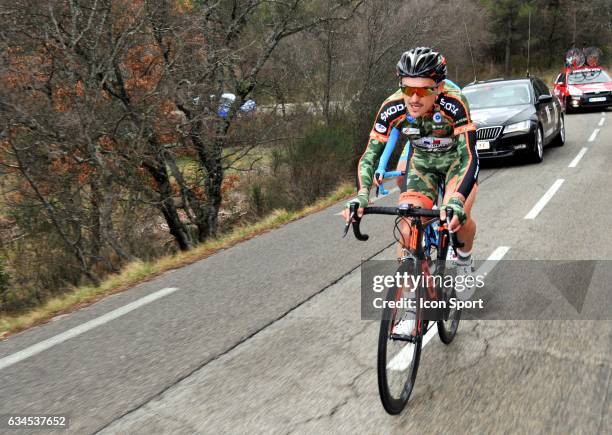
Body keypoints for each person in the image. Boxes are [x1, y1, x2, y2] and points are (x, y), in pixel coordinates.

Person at [342, 47, 479, 334]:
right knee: (407, 229)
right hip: (422, 165)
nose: (414, 98)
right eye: (407, 88)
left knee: (457, 216)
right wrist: (361, 195)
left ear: (439, 88)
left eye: (423, 90)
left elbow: (468, 155)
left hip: (456, 161)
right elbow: (370, 154)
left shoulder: (455, 103)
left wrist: (455, 200)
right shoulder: (392, 106)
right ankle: (415, 306)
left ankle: (464, 260)